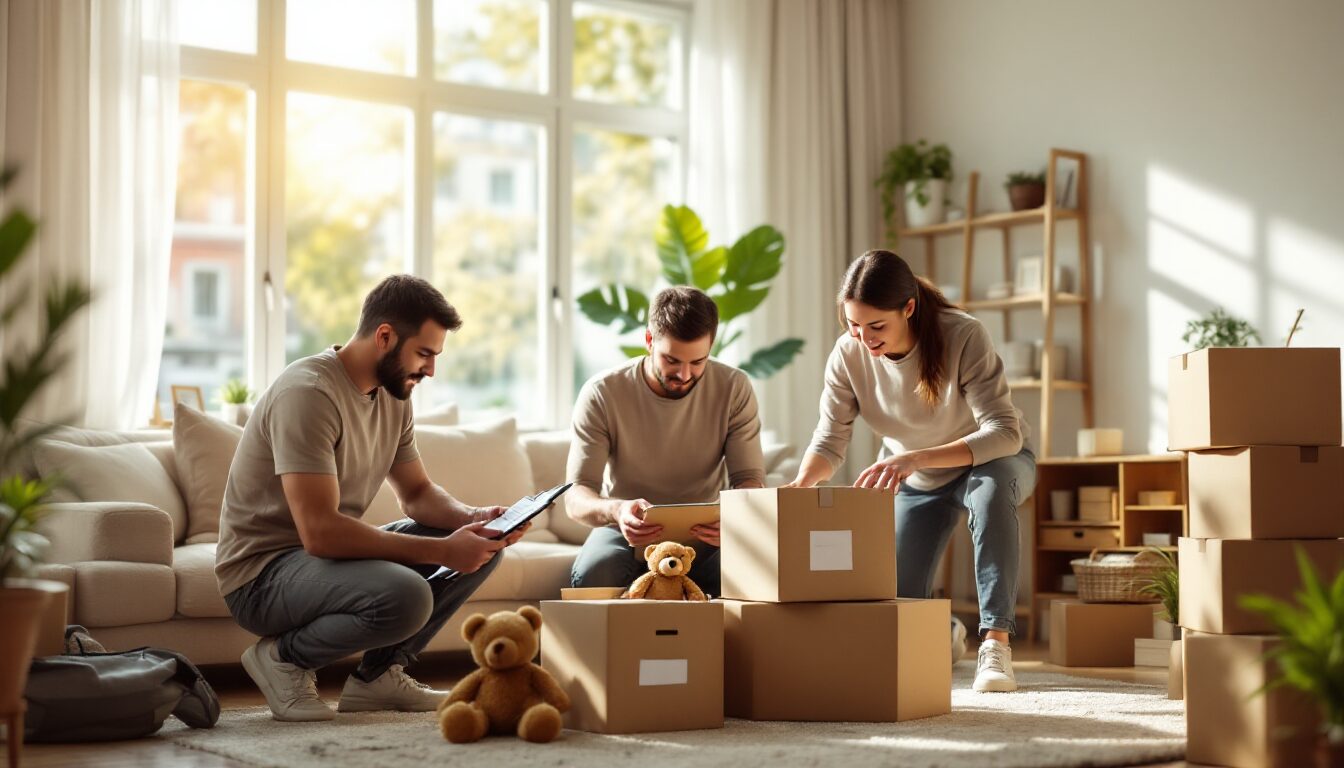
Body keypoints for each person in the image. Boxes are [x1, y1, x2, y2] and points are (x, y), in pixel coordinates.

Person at [215, 275, 528, 722]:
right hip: (261, 576)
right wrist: (442, 550)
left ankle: (377, 676)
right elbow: (321, 532)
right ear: (384, 336)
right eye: (424, 354)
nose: (431, 371)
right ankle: (283, 659)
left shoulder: (394, 393)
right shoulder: (308, 393)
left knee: (482, 547)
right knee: (409, 595)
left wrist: (477, 519)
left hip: (319, 563)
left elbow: (417, 494)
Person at [788, 249, 1036, 693]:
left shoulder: (963, 334)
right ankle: (944, 635)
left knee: (991, 496)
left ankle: (995, 643)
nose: (864, 338)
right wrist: (800, 486)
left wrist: (915, 457)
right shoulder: (848, 355)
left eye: (876, 326)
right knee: (898, 600)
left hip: (991, 461)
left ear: (909, 308)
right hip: (917, 479)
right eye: (853, 325)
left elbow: (1004, 432)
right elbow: (830, 440)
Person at [566, 286, 766, 596]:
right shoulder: (603, 393)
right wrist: (617, 510)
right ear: (649, 341)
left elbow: (749, 480)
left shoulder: (734, 387)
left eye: (698, 362)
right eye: (672, 360)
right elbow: (576, 497)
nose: (684, 374)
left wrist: (734, 515)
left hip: (706, 540)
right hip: (625, 533)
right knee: (596, 572)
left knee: (755, 569)